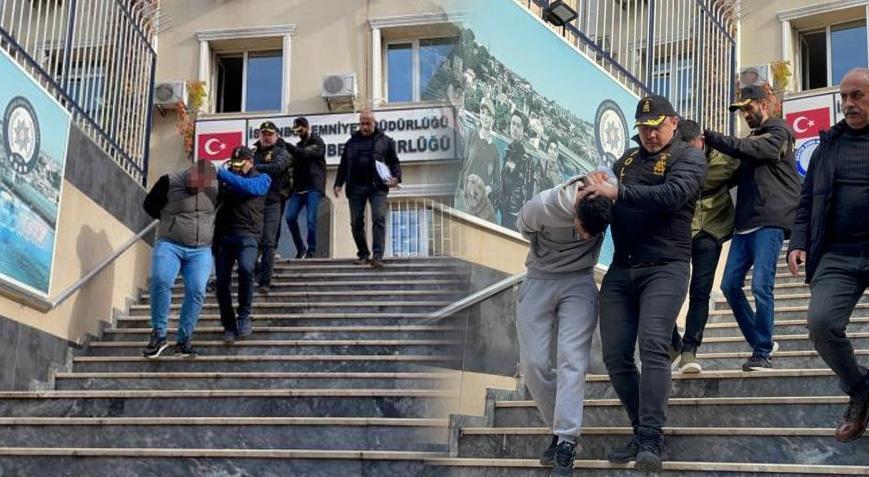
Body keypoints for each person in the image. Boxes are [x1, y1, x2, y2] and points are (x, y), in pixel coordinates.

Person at [579, 95, 706, 472]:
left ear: (674, 122)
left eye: (657, 126)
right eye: (644, 128)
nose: (650, 134)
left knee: (653, 344)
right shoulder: (627, 161)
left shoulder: (689, 156)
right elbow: (609, 205)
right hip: (622, 269)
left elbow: (672, 196)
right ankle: (640, 429)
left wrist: (616, 191)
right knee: (615, 355)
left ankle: (651, 438)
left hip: (666, 266)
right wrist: (591, 192)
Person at [787, 68, 869, 443]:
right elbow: (805, 202)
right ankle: (860, 390)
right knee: (821, 324)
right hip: (836, 254)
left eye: (858, 96)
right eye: (845, 98)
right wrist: (798, 242)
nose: (849, 104)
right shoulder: (827, 147)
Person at [516, 173, 615, 475]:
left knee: (572, 358)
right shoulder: (544, 206)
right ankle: (557, 430)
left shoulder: (609, 194)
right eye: (583, 230)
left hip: (580, 281)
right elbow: (523, 227)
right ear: (575, 210)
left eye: (593, 235)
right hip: (540, 279)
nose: (587, 238)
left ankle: (566, 443)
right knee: (533, 366)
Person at [704, 85, 801, 371]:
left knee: (761, 286)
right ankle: (763, 341)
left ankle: (762, 352)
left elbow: (759, 149)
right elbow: (729, 171)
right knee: (729, 286)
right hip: (744, 225)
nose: (746, 114)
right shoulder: (749, 141)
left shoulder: (779, 131)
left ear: (765, 104)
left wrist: (714, 137)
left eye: (749, 107)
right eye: (742, 110)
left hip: (770, 221)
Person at [142, 159, 264, 358]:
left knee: (197, 290)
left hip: (200, 250)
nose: (196, 187)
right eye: (193, 182)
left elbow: (244, 195)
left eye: (202, 185)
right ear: (189, 172)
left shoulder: (217, 187)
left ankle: (184, 339)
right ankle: (158, 334)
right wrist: (172, 223)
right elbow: (149, 206)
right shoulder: (169, 182)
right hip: (170, 244)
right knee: (161, 280)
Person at [670, 120, 741, 373]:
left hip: (712, 228)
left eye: (694, 149)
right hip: (681, 228)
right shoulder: (671, 156)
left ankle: (689, 349)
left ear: (703, 140)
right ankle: (673, 345)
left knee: (700, 290)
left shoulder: (726, 158)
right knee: (666, 287)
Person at [214, 146, 272, 343]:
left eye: (241, 164)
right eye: (234, 164)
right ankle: (228, 324)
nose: (237, 168)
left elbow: (250, 188)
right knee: (221, 282)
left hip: (249, 235)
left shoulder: (262, 178)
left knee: (247, 269)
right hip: (225, 236)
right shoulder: (225, 178)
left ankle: (244, 315)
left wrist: (221, 173)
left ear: (251, 162)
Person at [333, 109, 401, 269]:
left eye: (368, 123)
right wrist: (338, 183)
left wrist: (396, 178)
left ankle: (377, 256)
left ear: (374, 123)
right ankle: (363, 254)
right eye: (362, 123)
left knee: (378, 218)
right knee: (355, 222)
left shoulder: (385, 141)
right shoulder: (351, 142)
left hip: (377, 187)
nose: (364, 127)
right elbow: (343, 165)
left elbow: (394, 162)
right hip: (355, 187)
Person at [252, 120, 293, 294]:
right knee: (252, 240)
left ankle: (265, 282)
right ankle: (253, 272)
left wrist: (253, 168)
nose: (267, 137)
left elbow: (277, 168)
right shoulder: (252, 153)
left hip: (273, 201)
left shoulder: (283, 152)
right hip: (253, 202)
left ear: (276, 136)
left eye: (270, 134)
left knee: (269, 241)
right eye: (264, 134)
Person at [285, 116, 326, 259]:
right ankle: (300, 248)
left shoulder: (317, 142)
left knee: (311, 220)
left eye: (300, 129)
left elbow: (305, 154)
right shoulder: (297, 146)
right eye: (296, 130)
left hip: (313, 187)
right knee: (289, 217)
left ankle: (311, 250)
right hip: (298, 189)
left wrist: (286, 145)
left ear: (307, 127)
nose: (298, 133)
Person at [459, 96, 500, 210]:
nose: (485, 117)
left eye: (488, 114)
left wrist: (488, 189)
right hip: (462, 197)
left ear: (493, 119)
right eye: (483, 113)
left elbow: (498, 183)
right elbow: (460, 165)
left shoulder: (495, 152)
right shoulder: (470, 136)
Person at [498, 109, 535, 230]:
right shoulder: (508, 152)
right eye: (513, 124)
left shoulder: (527, 160)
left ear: (523, 131)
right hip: (504, 210)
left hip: (515, 218)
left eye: (518, 126)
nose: (514, 128)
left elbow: (529, 194)